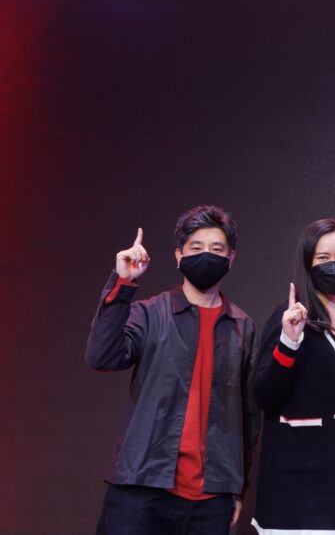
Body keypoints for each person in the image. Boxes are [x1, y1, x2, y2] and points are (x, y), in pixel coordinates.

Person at [85, 205, 260, 535]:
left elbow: (248, 417)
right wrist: (123, 283)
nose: (206, 255)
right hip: (141, 488)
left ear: (231, 258)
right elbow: (102, 357)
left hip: (211, 499)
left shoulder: (242, 327)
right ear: (179, 256)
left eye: (216, 249)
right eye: (196, 248)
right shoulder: (149, 313)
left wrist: (236, 487)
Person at [251, 218, 335, 534]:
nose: (334, 265)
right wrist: (289, 342)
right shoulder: (288, 316)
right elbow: (265, 396)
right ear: (307, 262)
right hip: (297, 489)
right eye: (324, 258)